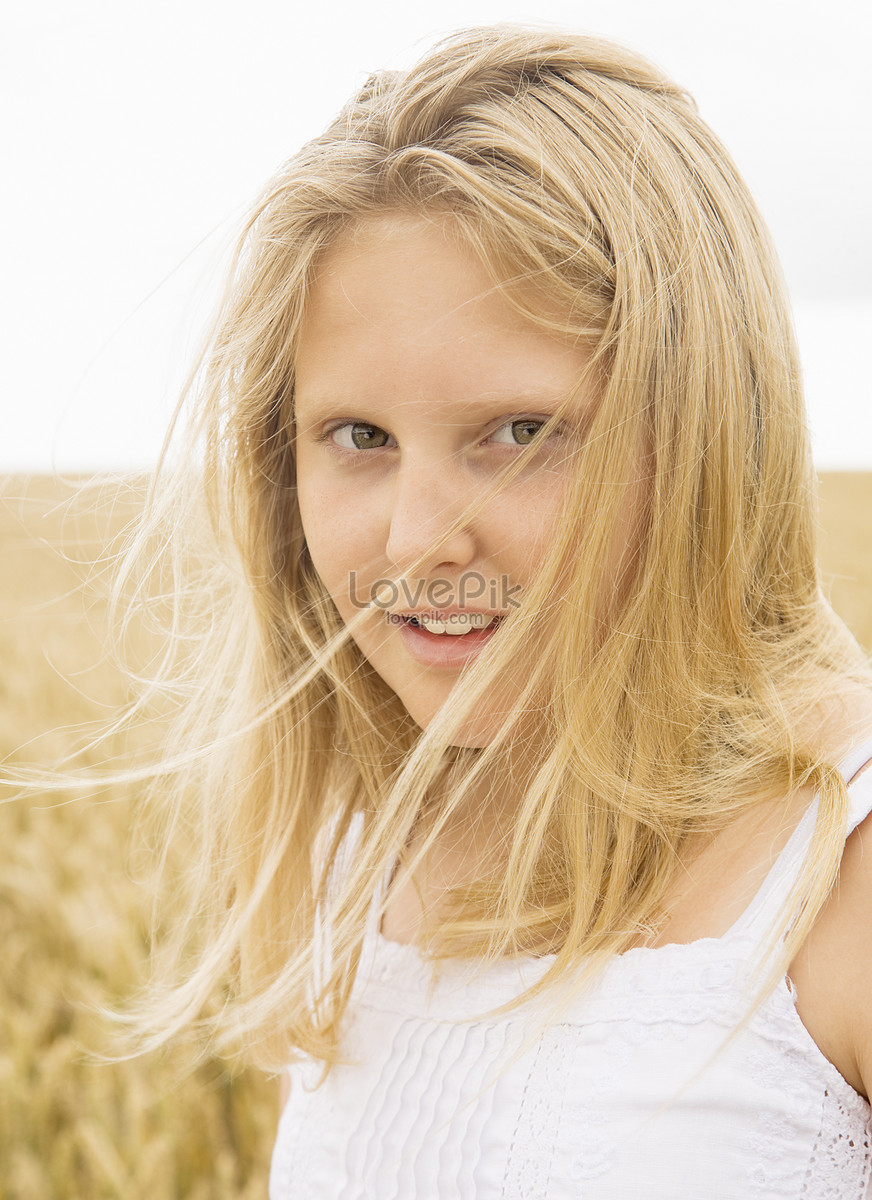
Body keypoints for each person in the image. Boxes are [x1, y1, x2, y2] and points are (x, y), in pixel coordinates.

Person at [130, 24, 872, 1196]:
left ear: (705, 437)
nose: (419, 538)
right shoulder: (354, 850)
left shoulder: (837, 880)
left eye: (519, 433)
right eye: (358, 437)